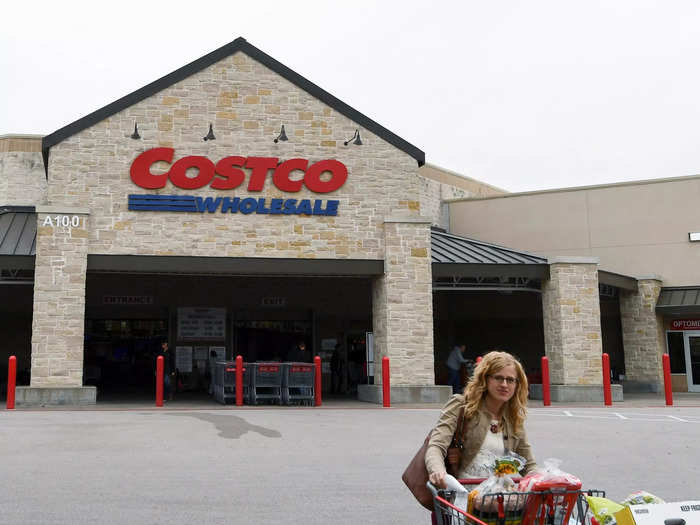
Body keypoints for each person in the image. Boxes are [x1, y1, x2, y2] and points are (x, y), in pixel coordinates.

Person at [425, 351, 537, 492]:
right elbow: (436, 445)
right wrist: (438, 470)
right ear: (485, 379)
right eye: (498, 378)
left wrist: (541, 478)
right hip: (464, 494)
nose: (504, 384)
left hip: (499, 494)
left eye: (510, 380)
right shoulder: (461, 406)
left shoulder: (513, 418)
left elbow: (528, 463)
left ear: (516, 384)